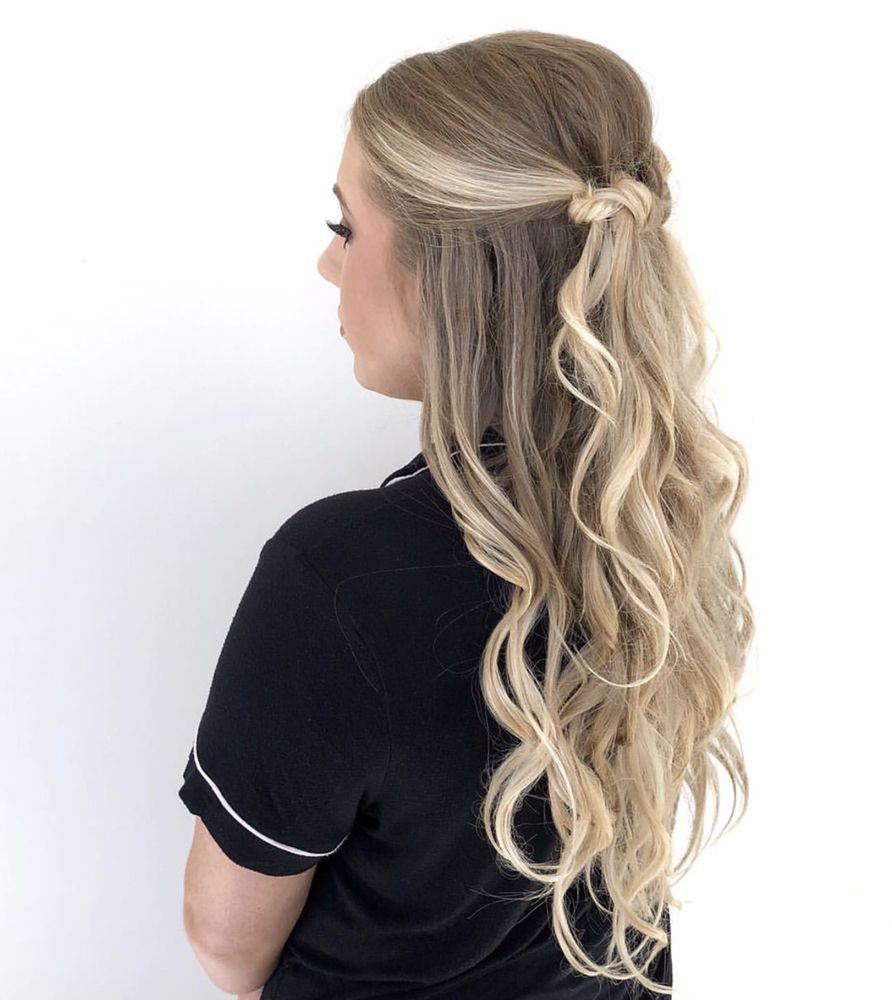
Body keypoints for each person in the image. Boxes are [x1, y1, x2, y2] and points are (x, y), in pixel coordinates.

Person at [180, 28, 753, 1000]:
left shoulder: (339, 576)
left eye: (345, 227)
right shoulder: (658, 512)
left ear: (447, 270)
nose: (327, 266)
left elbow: (226, 940)